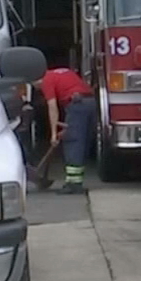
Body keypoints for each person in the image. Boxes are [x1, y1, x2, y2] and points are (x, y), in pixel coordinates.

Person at [41, 59, 94, 195]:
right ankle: (77, 181)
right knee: (82, 141)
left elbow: (52, 107)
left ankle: (73, 184)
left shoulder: (46, 81)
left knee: (73, 143)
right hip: (89, 103)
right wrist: (65, 129)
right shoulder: (61, 72)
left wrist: (53, 134)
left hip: (76, 104)